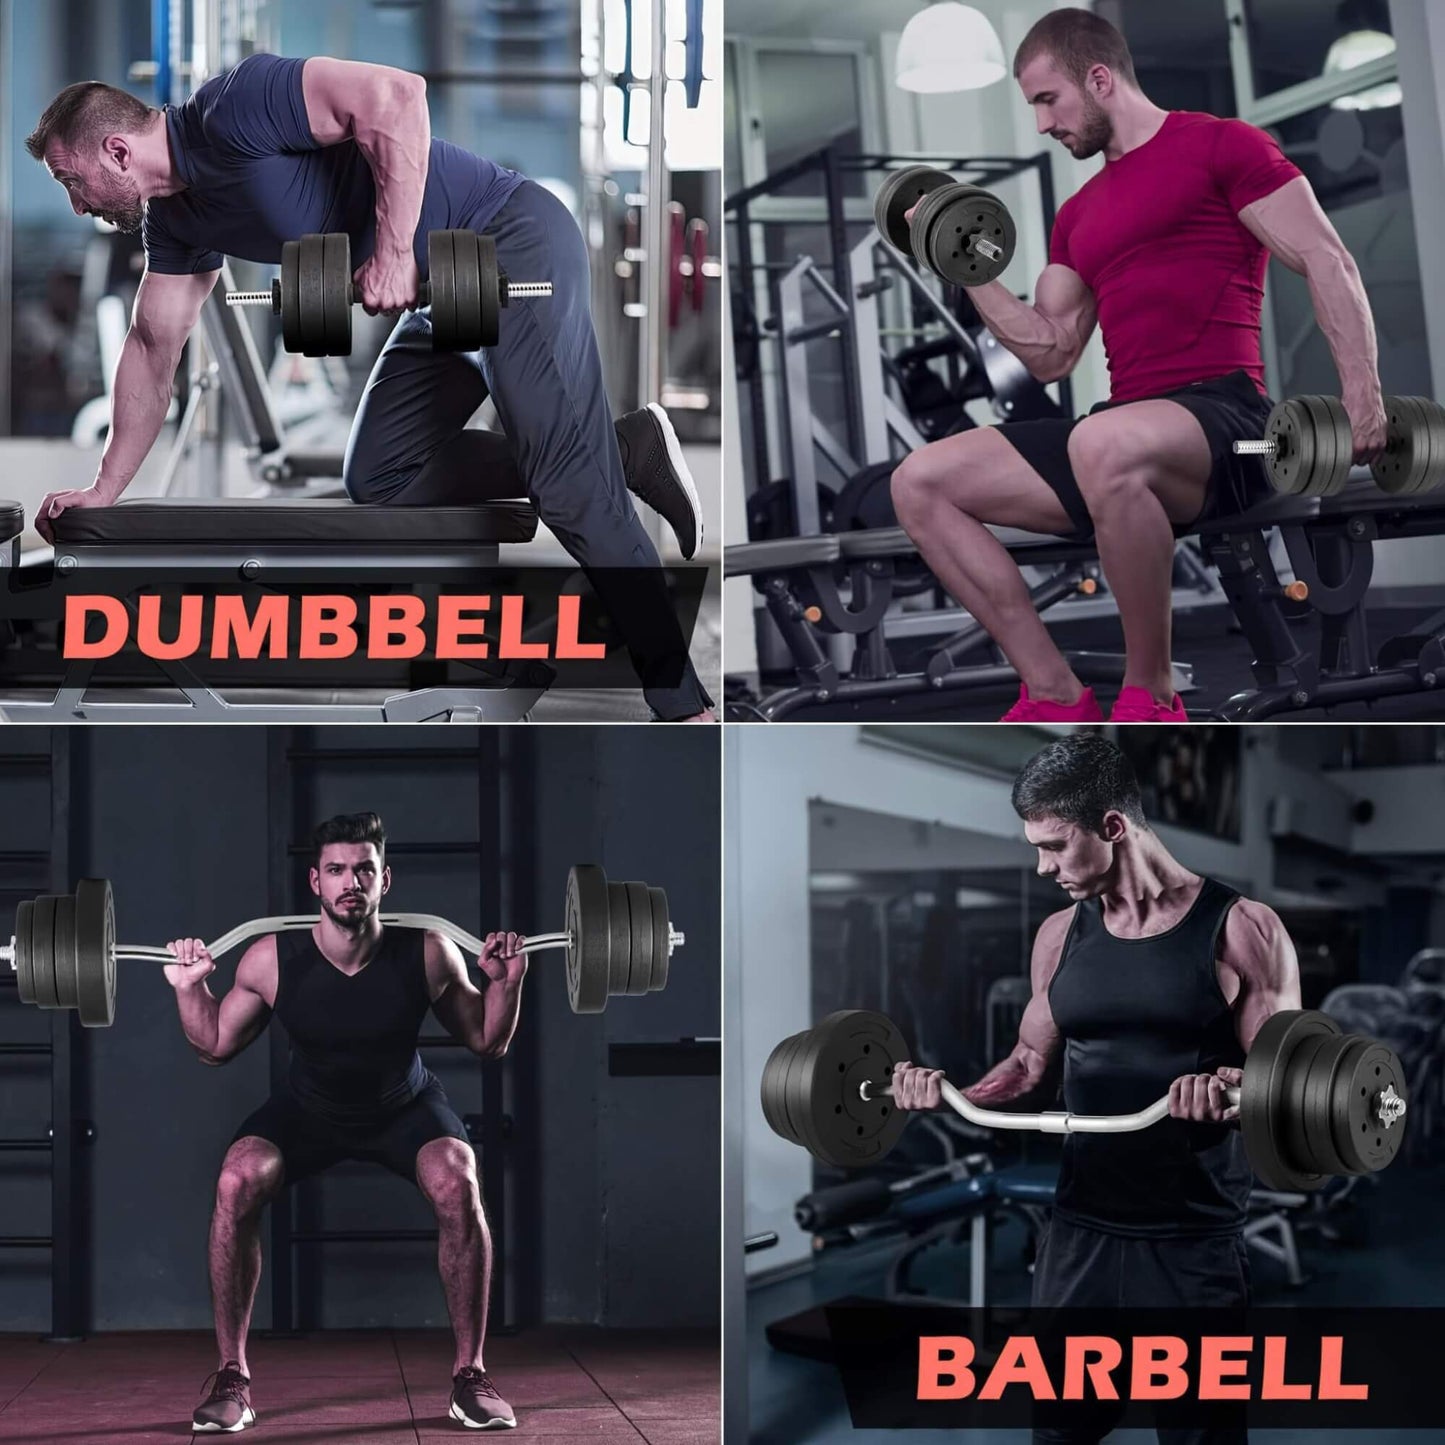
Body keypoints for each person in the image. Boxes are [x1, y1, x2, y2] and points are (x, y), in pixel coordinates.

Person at [26, 54, 713, 720]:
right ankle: (625, 450)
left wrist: (391, 253)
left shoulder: (234, 104)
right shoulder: (176, 221)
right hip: (440, 290)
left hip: (505, 240)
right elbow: (152, 349)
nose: (77, 205)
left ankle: (685, 707)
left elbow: (398, 96)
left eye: (71, 181)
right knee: (383, 472)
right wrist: (104, 489)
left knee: (568, 482)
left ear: (117, 151)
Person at [889, 7, 1387, 722]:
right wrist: (960, 262)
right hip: (1121, 429)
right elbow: (1051, 352)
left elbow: (1325, 258)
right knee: (920, 482)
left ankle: (1150, 695)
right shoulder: (1077, 214)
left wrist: (1362, 394)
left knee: (1103, 443)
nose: (1042, 124)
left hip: (1227, 418)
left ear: (1099, 79)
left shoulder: (1221, 145)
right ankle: (1054, 693)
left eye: (1047, 100)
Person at [890, 734, 1302, 1444]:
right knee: (1058, 1430)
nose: (1042, 866)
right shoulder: (1059, 936)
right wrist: (949, 1093)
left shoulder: (1241, 930)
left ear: (1112, 825)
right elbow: (1027, 1065)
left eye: (1054, 846)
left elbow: (1287, 1089)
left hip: (1190, 1239)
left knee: (1201, 1435)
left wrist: (1231, 1093)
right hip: (1079, 1230)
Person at [166, 812, 522, 1433]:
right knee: (235, 1179)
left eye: (363, 869)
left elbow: (488, 1041)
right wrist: (189, 988)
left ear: (386, 879)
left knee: (457, 1177)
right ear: (316, 881)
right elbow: (215, 1044)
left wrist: (507, 984)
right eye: (336, 870)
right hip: (310, 1110)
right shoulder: (271, 959)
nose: (350, 882)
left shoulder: (429, 952)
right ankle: (232, 1377)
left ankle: (471, 1375)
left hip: (403, 1107)